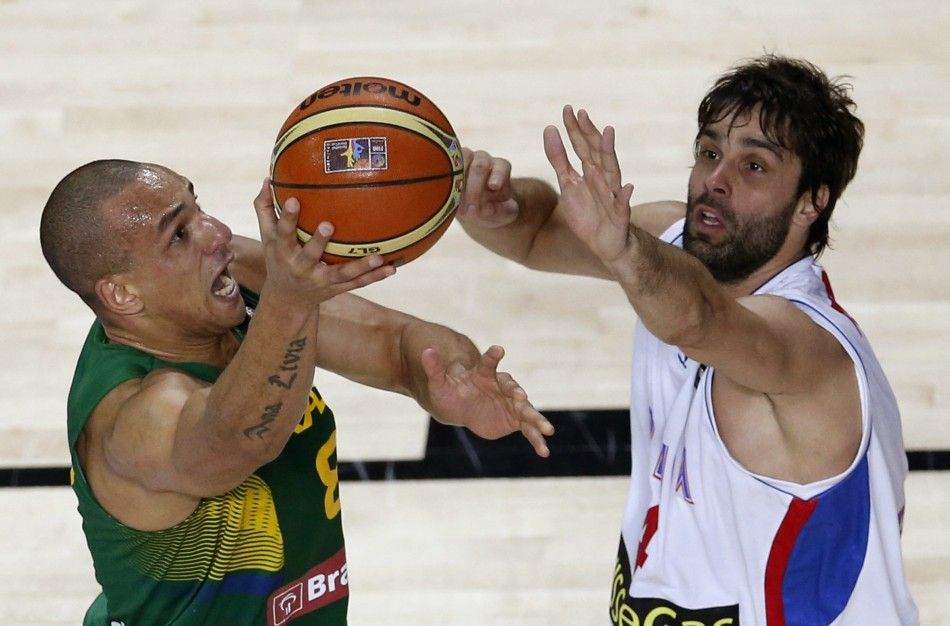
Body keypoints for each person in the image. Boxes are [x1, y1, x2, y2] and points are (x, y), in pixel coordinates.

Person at [458, 55, 919, 624]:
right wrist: (490, 205)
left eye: (754, 166)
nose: (715, 181)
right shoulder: (669, 241)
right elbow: (537, 233)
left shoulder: (808, 349)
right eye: (710, 153)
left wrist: (621, 249)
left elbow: (700, 322)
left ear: (811, 201)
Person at [39, 160, 555, 625]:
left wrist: (448, 382)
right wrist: (290, 303)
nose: (216, 233)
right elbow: (238, 441)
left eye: (198, 209)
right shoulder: (135, 417)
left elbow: (392, 343)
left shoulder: (221, 282)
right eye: (178, 235)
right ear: (122, 294)